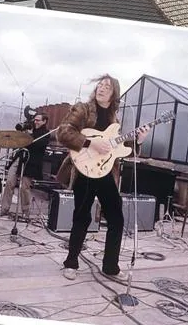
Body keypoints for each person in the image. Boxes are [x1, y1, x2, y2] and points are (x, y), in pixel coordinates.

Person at [54, 75, 148, 280]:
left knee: (116, 218)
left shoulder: (115, 119)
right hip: (83, 170)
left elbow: (117, 150)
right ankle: (71, 263)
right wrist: (90, 143)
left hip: (105, 172)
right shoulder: (83, 109)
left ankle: (110, 267)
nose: (102, 88)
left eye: (107, 86)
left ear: (114, 93)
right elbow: (63, 133)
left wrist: (138, 142)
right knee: (82, 217)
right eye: (100, 85)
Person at [0, 112, 51, 219]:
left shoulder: (46, 133)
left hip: (31, 162)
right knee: (9, 182)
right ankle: (4, 208)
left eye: (38, 120)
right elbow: (19, 142)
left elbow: (37, 145)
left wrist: (29, 134)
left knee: (24, 187)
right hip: (20, 158)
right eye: (35, 120)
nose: (35, 122)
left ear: (44, 121)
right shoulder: (30, 129)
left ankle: (25, 212)